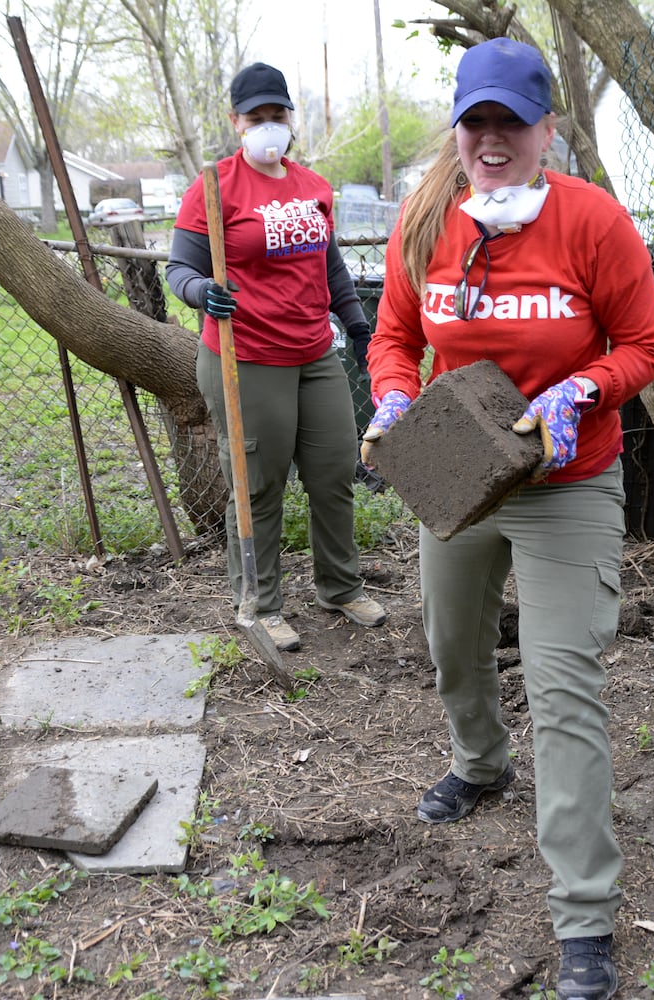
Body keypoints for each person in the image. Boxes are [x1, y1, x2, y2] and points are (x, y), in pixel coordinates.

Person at [360, 38, 654, 1000]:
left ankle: (584, 914)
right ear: (457, 130)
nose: (491, 141)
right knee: (452, 643)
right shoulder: (426, 220)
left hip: (567, 479)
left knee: (564, 681)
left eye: (511, 122)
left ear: (546, 130)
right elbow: (395, 336)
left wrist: (586, 386)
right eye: (476, 122)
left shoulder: (593, 222)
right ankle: (479, 762)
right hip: (457, 463)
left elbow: (646, 345)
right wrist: (394, 398)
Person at [166, 62, 386, 652]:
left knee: (335, 471)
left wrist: (357, 323)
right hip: (245, 357)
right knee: (259, 483)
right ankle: (259, 603)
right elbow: (179, 268)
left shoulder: (311, 186)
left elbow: (330, 264)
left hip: (314, 353)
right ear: (236, 122)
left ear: (291, 119)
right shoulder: (214, 187)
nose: (269, 126)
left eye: (278, 115)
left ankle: (340, 586)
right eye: (256, 117)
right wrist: (199, 293)